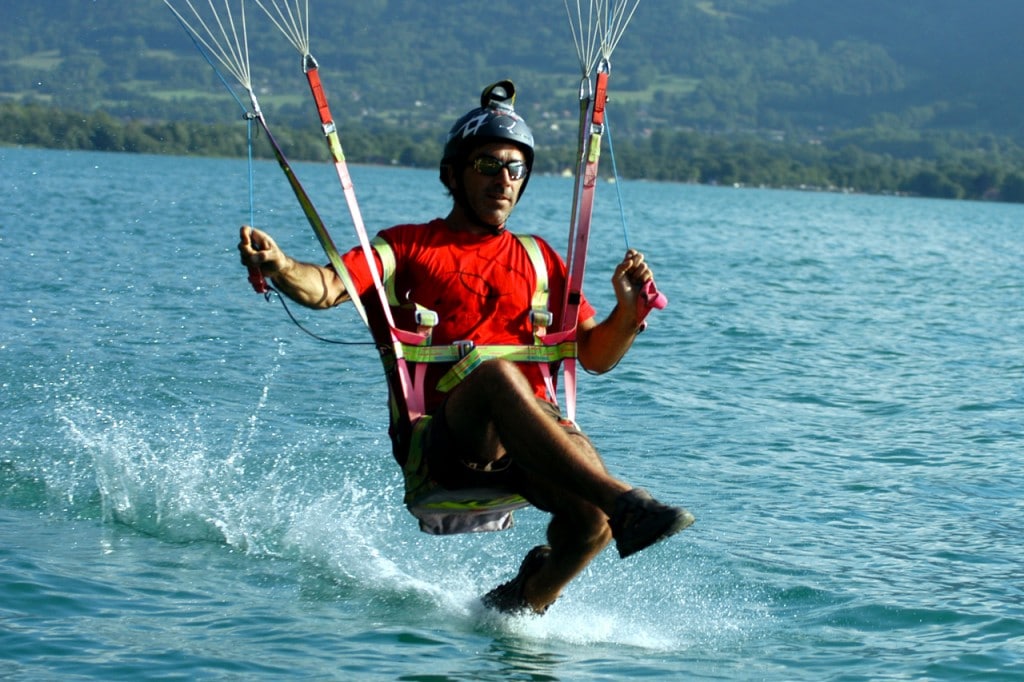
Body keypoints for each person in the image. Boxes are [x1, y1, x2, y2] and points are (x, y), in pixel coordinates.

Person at [238, 80, 694, 615]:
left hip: (531, 443)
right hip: (447, 445)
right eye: (488, 166)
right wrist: (281, 266)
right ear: (452, 175)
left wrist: (628, 312)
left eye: (515, 169)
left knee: (592, 522)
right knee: (495, 375)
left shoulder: (539, 257)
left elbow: (594, 356)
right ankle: (625, 503)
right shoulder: (406, 245)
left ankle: (522, 600)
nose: (503, 179)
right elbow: (326, 287)